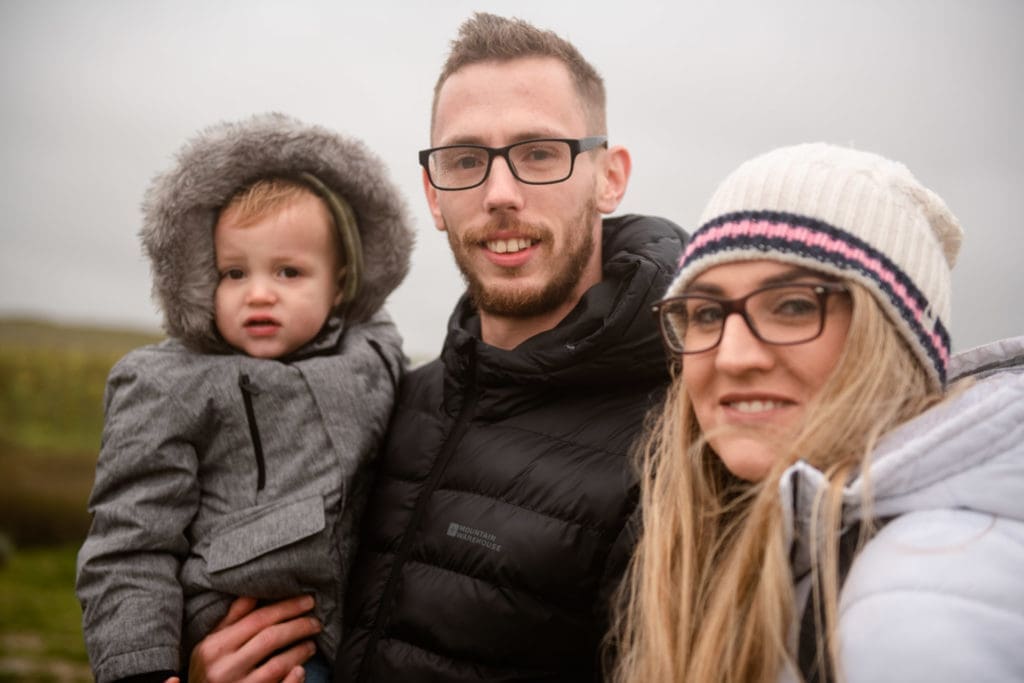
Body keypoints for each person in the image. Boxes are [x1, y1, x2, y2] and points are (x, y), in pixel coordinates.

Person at [184, 12, 687, 683]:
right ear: (432, 193)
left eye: (540, 153)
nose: (500, 194)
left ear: (609, 176)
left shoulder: (675, 443)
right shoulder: (387, 403)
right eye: (466, 160)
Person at [611, 142, 1024, 682]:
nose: (733, 356)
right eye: (707, 313)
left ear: (890, 340)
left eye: (793, 306)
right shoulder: (790, 554)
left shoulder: (917, 594)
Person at [75, 112, 413, 682]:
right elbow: (131, 543)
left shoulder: (371, 359)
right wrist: (143, 671)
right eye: (234, 273)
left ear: (339, 284)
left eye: (288, 272)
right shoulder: (167, 383)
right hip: (231, 635)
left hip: (355, 638)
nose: (258, 294)